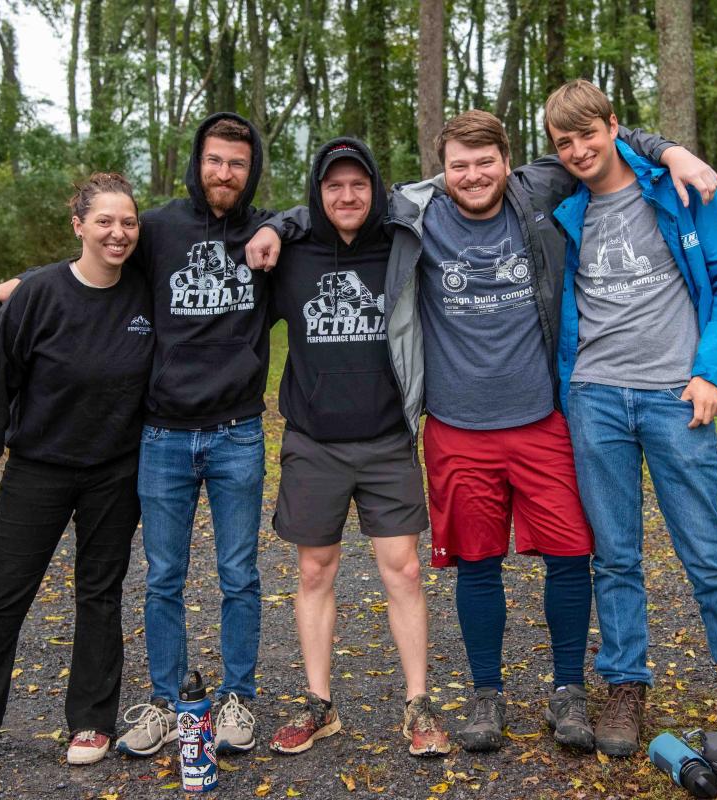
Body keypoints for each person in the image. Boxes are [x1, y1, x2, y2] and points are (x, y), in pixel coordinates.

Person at [249, 112, 715, 754]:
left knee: (569, 556)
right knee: (476, 561)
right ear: (442, 170)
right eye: (459, 165)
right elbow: (335, 205)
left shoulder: (539, 188)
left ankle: (568, 691)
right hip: (457, 426)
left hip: (542, 417)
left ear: (507, 159)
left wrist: (671, 152)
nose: (473, 176)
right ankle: (486, 693)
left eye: (485, 161)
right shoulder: (415, 210)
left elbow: (604, 138)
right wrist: (274, 224)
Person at [0, 113, 274, 757]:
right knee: (162, 577)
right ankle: (164, 701)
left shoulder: (269, 233)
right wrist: (27, 284)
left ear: (252, 172)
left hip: (237, 431)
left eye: (237, 163)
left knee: (238, 574)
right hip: (161, 436)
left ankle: (237, 697)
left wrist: (281, 224)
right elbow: (98, 254)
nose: (224, 173)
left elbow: (325, 224)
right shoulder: (157, 228)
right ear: (197, 162)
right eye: (214, 160)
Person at [545, 79, 717, 761]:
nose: (578, 150)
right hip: (594, 397)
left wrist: (710, 370)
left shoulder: (679, 190)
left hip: (676, 396)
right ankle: (624, 685)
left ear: (614, 125)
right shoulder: (560, 205)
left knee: (708, 551)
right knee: (615, 556)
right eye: (563, 141)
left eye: (588, 134)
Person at [0, 173, 152, 777]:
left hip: (116, 472)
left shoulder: (145, 292)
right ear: (78, 226)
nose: (117, 232)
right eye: (104, 221)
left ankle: (92, 721)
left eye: (128, 222)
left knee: (100, 595)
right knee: (5, 598)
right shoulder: (37, 295)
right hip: (38, 469)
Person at [256, 138, 449, 757]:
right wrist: (277, 225)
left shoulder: (400, 245)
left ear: (375, 190)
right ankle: (320, 704)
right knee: (315, 570)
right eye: (333, 186)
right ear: (318, 192)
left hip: (388, 437)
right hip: (314, 441)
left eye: (358, 185)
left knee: (405, 570)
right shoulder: (290, 253)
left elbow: (454, 189)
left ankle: (418, 703)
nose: (346, 196)